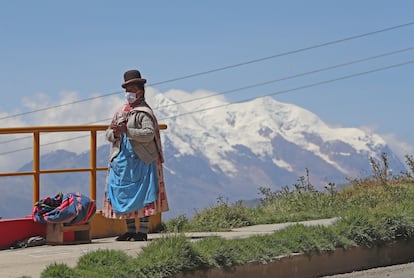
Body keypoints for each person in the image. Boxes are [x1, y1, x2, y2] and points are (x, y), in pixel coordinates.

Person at [103, 69, 169, 241]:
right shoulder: (120, 112)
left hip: (142, 160)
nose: (128, 93)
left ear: (140, 90)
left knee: (143, 193)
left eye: (131, 89)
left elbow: (148, 134)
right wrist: (116, 134)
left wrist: (128, 131)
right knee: (126, 193)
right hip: (123, 160)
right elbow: (109, 134)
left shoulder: (144, 112)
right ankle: (130, 229)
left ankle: (143, 231)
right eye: (127, 90)